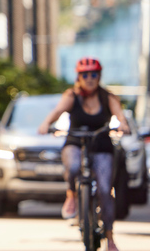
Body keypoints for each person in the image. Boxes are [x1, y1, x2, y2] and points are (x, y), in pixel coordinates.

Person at [37, 57, 130, 251]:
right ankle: (72, 194)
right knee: (72, 167)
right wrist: (46, 123)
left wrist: (123, 124)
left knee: (105, 190)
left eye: (93, 74)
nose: (89, 78)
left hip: (102, 145)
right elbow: (57, 111)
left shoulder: (107, 97)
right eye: (85, 74)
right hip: (76, 142)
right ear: (78, 77)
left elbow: (119, 115)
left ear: (99, 76)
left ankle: (110, 238)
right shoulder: (72, 96)